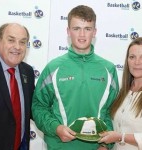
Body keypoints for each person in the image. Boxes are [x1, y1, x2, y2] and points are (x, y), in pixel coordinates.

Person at [32, 5, 119, 150]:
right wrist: (56, 128)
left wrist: (105, 144)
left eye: (87, 28)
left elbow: (111, 112)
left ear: (94, 32)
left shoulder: (108, 69)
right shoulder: (53, 68)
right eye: (76, 28)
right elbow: (38, 107)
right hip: (59, 146)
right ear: (68, 31)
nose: (82, 34)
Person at [0, 23, 35, 150]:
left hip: (22, 145)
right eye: (11, 40)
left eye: (22, 42)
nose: (17, 47)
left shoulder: (27, 71)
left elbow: (33, 109)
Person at [99, 37, 142, 150]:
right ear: (127, 61)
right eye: (132, 57)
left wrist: (120, 137)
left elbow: (118, 135)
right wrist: (105, 145)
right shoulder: (123, 92)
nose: (137, 62)